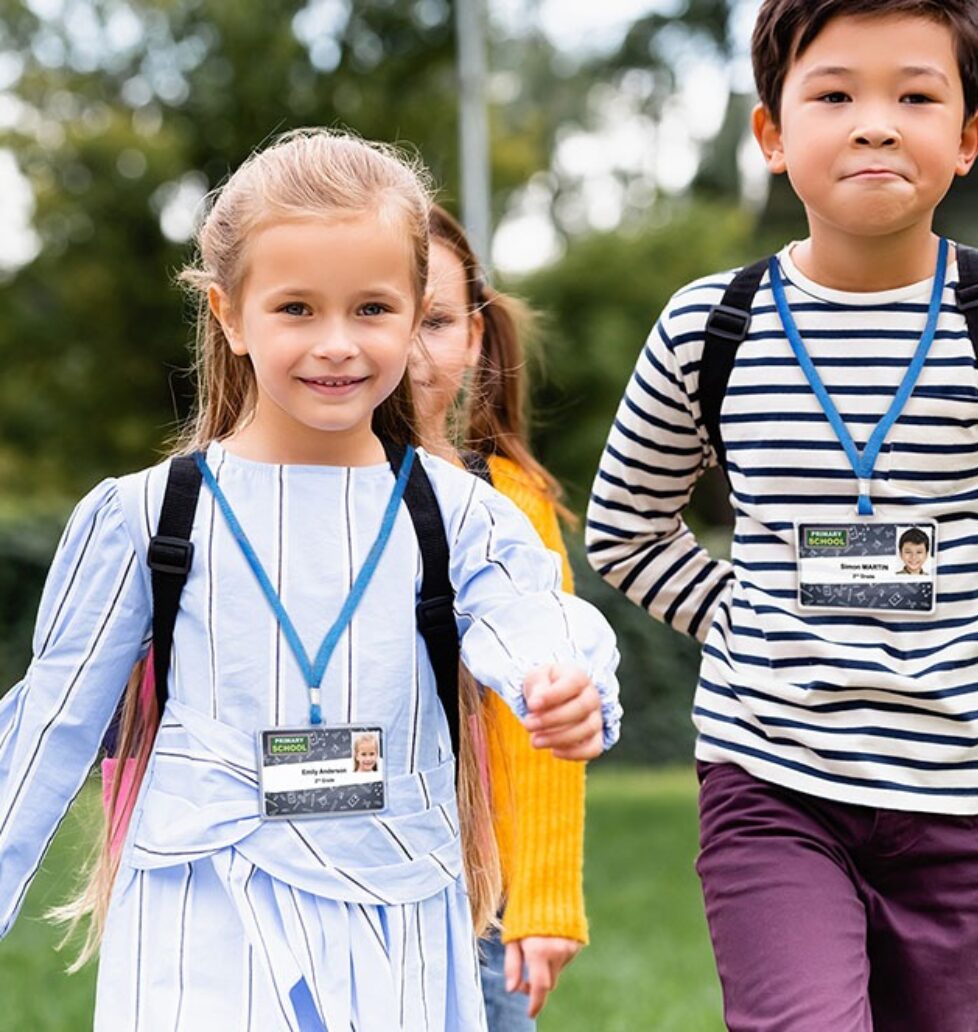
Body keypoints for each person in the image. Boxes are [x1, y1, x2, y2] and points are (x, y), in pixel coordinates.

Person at [0, 127, 621, 1032]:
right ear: (229, 313)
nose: (337, 344)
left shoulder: (460, 515)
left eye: (372, 308)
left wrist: (561, 685)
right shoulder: (145, 516)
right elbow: (48, 727)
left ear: (416, 315)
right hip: (199, 913)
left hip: (398, 910)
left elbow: (531, 619)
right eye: (297, 308)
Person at [585, 2, 978, 1029]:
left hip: (966, 801)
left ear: (966, 140)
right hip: (768, 785)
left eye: (914, 95)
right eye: (833, 94)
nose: (873, 123)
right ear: (771, 134)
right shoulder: (707, 328)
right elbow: (625, 527)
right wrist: (739, 617)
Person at [411, 203, 588, 1028]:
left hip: (477, 897)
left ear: (477, 339)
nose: (409, 347)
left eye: (437, 320)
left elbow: (547, 706)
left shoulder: (510, 501)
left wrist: (543, 899)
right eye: (381, 310)